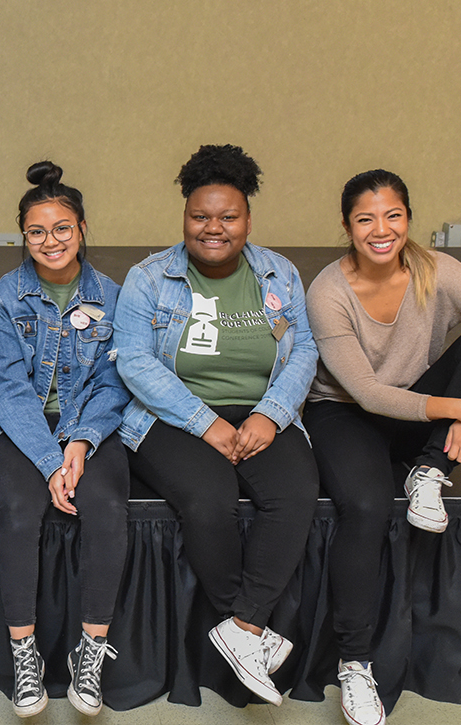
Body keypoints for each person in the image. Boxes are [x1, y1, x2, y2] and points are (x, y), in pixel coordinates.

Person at [302, 169, 461, 725]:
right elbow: (368, 393)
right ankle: (355, 666)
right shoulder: (328, 292)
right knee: (365, 508)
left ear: (408, 218)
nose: (381, 230)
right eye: (365, 219)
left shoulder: (438, 269)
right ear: (346, 226)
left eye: (393, 216)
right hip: (345, 414)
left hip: (413, 406)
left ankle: (428, 469)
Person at [113, 144, 319, 708]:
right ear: (184, 217)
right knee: (210, 498)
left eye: (228, 217)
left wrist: (269, 416)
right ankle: (248, 625)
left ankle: (242, 628)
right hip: (171, 417)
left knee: (296, 493)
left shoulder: (280, 273)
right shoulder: (149, 278)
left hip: (258, 412)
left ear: (247, 220)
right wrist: (205, 423)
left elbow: (304, 353)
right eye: (200, 217)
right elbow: (133, 361)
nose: (213, 228)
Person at [0, 161, 131, 717]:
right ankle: (26, 655)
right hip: (20, 433)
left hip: (89, 429)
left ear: (83, 228)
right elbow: (6, 388)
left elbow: (116, 380)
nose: (50, 241)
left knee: (109, 508)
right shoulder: (4, 297)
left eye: (62, 228)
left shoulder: (114, 295)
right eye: (37, 231)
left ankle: (89, 651)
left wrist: (82, 442)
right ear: (23, 235)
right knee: (19, 512)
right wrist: (49, 460)